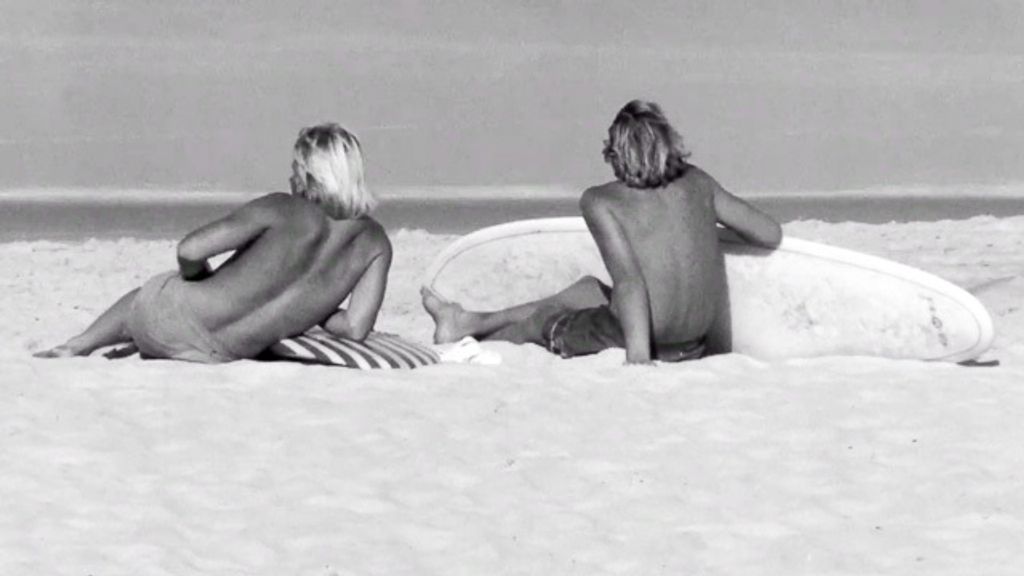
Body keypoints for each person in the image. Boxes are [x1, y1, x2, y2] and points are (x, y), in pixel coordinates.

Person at [422, 100, 782, 364]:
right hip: (693, 343)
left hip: (647, 343)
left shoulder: (601, 201)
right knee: (587, 290)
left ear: (616, 153)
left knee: (542, 321)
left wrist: (638, 360)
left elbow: (630, 283)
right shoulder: (699, 182)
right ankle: (469, 320)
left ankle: (470, 344)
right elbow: (769, 233)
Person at [36, 123, 391, 363]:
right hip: (217, 356)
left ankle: (78, 345)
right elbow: (355, 329)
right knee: (174, 305)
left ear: (310, 176)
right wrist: (315, 304)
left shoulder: (281, 207)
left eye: (296, 170)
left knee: (155, 293)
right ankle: (119, 340)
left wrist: (200, 277)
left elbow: (189, 250)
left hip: (161, 326)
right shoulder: (375, 243)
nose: (290, 178)